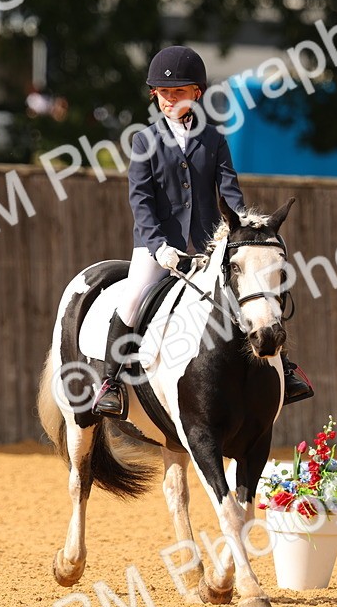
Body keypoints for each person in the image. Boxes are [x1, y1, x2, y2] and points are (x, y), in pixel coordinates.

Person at [91, 45, 314, 419]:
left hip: (210, 243)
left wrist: (240, 228)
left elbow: (229, 192)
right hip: (157, 246)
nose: (169, 99)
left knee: (252, 294)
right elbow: (141, 202)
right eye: (163, 93)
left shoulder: (214, 140)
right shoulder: (145, 141)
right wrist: (158, 245)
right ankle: (111, 383)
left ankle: (284, 368)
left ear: (196, 93)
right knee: (131, 301)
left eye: (178, 92)